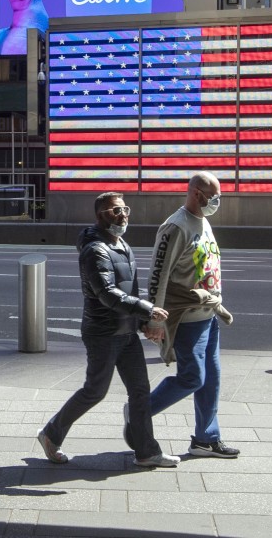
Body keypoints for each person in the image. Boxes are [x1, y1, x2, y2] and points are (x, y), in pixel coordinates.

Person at [37, 192, 180, 468]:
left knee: (140, 391)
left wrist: (141, 323)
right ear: (100, 215)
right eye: (115, 210)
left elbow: (130, 288)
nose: (123, 214)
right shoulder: (95, 250)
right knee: (95, 391)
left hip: (125, 333)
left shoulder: (122, 244)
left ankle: (146, 452)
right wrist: (146, 309)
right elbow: (106, 292)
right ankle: (51, 434)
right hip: (102, 333)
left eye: (125, 209)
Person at [126, 172, 241, 459]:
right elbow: (158, 275)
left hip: (207, 315)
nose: (217, 202)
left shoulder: (202, 220)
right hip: (187, 317)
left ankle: (206, 439)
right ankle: (140, 411)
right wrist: (155, 319)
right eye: (213, 197)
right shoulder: (175, 227)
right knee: (193, 377)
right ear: (196, 194)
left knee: (210, 380)